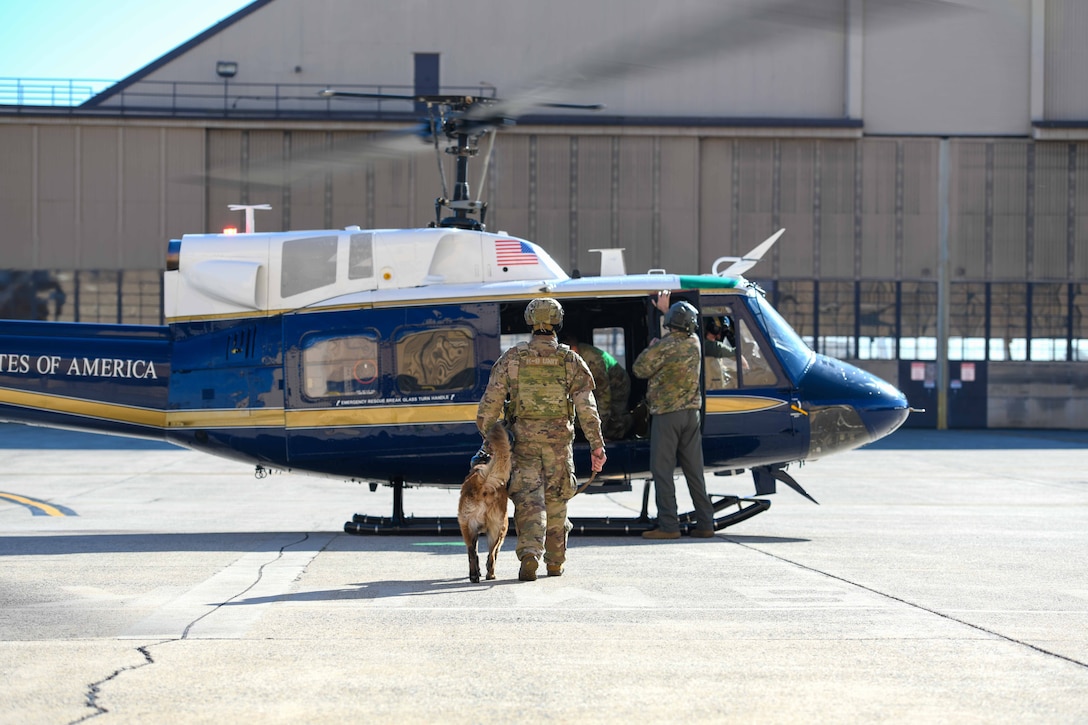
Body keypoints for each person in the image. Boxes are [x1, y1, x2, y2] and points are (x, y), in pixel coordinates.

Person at [477, 298, 607, 581]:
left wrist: (494, 443)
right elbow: (587, 409)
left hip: (522, 445)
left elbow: (487, 411)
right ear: (558, 324)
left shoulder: (512, 359)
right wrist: (597, 446)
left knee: (528, 500)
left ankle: (529, 555)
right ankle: (555, 562)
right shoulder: (570, 360)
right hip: (560, 447)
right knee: (558, 500)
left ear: (530, 323)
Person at [632, 297, 716, 539]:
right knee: (694, 471)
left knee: (662, 470)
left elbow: (640, 369)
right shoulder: (695, 342)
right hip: (692, 415)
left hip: (668, 415)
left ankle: (669, 525)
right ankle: (705, 522)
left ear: (670, 323)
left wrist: (653, 345)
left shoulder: (665, 345)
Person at [561, 332, 632, 440]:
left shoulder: (593, 361)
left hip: (617, 385)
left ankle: (633, 419)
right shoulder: (565, 358)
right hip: (592, 385)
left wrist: (599, 435)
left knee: (615, 423)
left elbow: (603, 398)